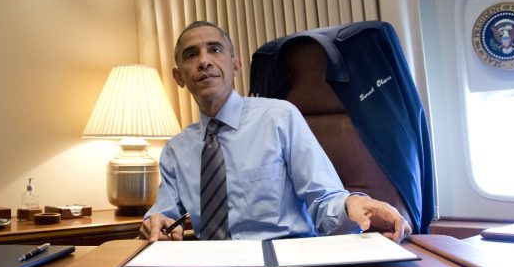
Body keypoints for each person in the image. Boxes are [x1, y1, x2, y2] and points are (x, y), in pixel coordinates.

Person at [139, 21, 411, 243]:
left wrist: (351, 205)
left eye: (215, 50)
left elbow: (324, 200)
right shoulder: (175, 150)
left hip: (284, 265)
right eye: (191, 54)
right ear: (178, 77)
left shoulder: (280, 117)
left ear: (236, 66)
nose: (204, 61)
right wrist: (156, 223)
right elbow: (164, 214)